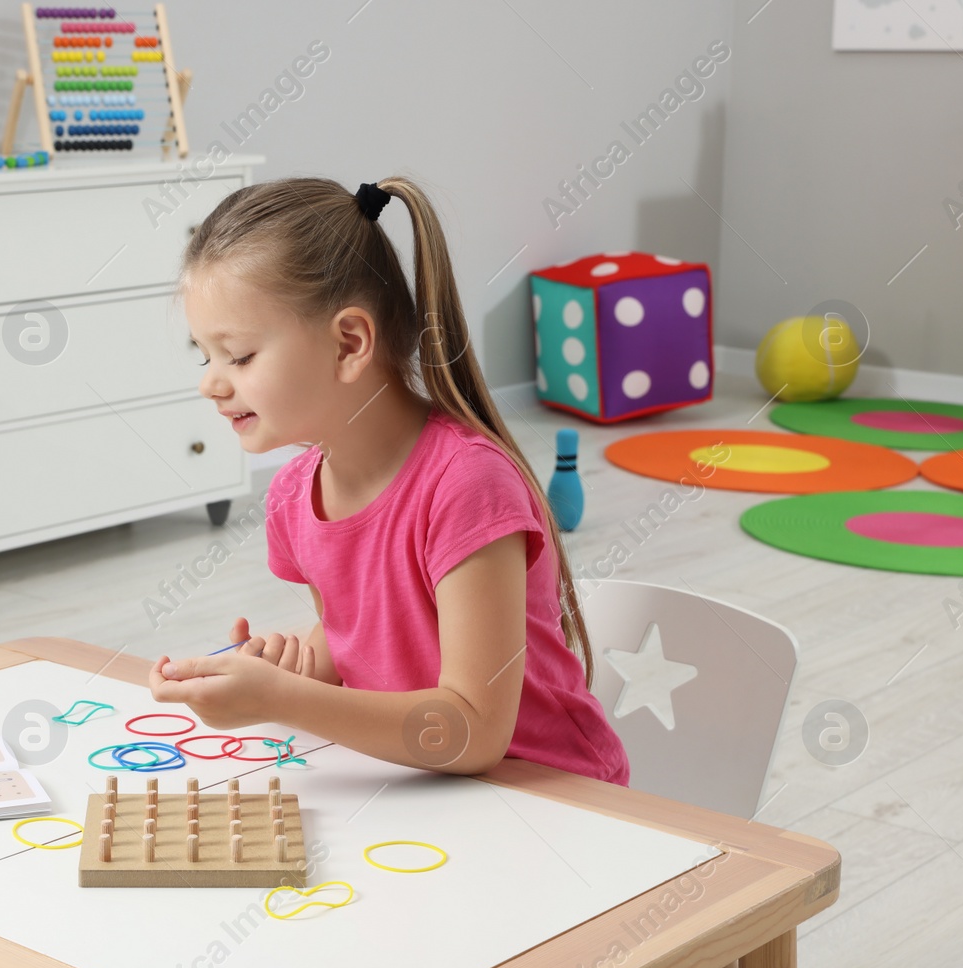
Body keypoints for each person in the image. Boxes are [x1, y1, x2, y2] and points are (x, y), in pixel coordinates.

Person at [147, 176, 628, 785]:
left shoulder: (468, 484)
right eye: (204, 356)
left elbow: (473, 731)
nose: (211, 384)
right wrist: (295, 665)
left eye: (238, 356)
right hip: (423, 789)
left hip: (555, 797)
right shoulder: (294, 496)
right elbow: (360, 645)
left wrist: (277, 700)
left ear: (350, 342)